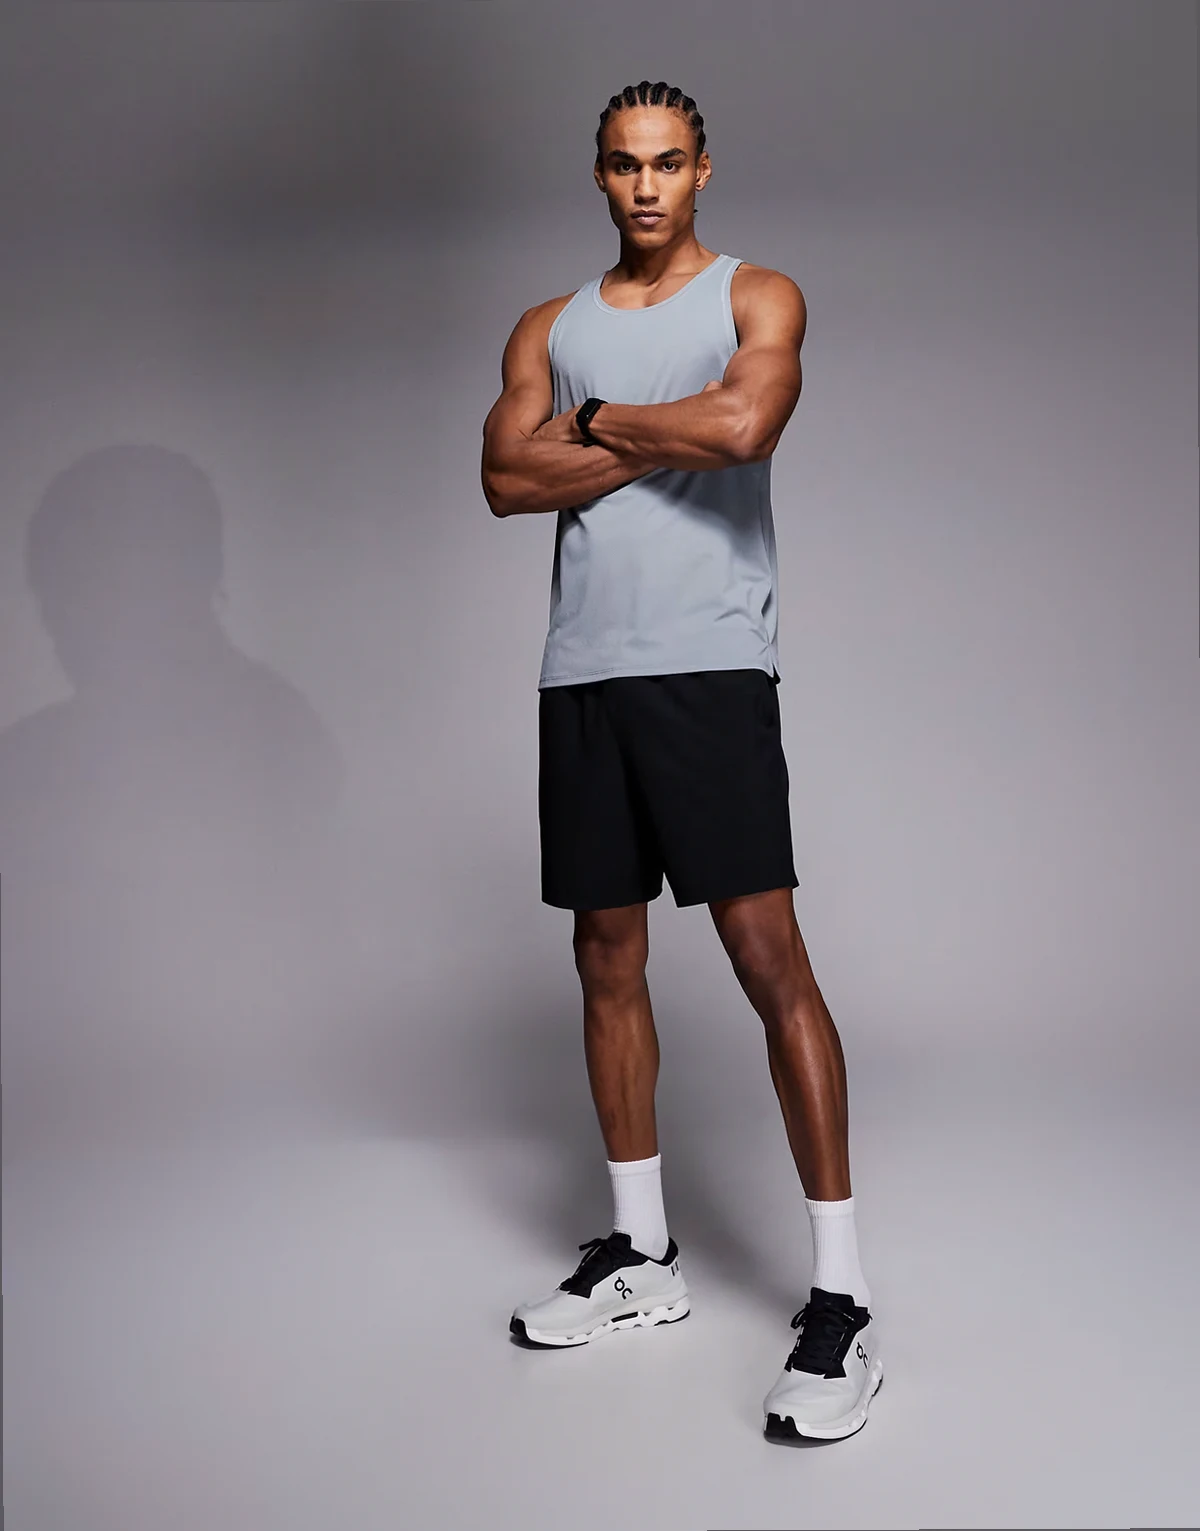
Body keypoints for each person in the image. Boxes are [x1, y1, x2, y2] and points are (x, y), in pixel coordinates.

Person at [480, 79, 883, 1443]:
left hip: (709, 667)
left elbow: (743, 429)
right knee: (606, 954)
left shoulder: (757, 296)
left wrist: (588, 426)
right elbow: (503, 479)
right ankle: (641, 1252)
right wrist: (652, 425)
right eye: (622, 165)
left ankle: (842, 1299)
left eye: (666, 163)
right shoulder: (548, 326)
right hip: (582, 670)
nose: (645, 185)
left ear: (702, 170)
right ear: (599, 176)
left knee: (768, 957)